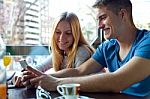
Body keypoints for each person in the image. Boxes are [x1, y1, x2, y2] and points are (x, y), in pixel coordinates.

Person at [22, 0, 150, 97]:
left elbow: (117, 81)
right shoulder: (107, 47)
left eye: (103, 18)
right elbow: (79, 71)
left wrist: (56, 83)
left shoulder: (147, 42)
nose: (99, 26)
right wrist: (40, 78)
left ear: (122, 14)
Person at [14, 12, 95, 87]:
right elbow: (39, 67)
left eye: (68, 33)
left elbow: (78, 79)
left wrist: (41, 78)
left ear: (76, 34)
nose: (62, 38)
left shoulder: (82, 51)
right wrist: (22, 74)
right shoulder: (60, 53)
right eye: (58, 32)